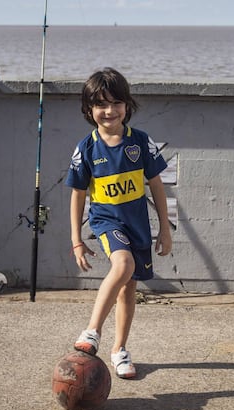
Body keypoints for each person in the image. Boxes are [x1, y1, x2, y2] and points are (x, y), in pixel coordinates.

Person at [65, 67, 172, 379]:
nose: (109, 111)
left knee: (129, 288)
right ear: (89, 110)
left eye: (116, 103)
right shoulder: (85, 148)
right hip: (106, 220)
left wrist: (165, 227)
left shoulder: (140, 142)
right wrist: (76, 239)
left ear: (128, 105)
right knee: (122, 264)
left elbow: (156, 185)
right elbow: (77, 195)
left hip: (137, 223)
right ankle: (92, 332)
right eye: (100, 105)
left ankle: (119, 350)